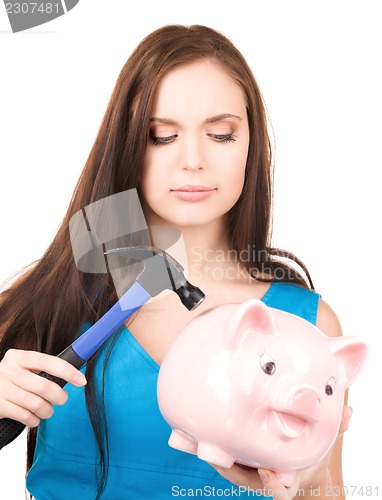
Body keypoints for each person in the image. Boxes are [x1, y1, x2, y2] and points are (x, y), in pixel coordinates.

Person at [0, 24, 351, 499]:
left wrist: (305, 485)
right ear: (127, 146)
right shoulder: (50, 299)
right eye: (162, 136)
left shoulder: (305, 327)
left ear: (252, 144)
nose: (192, 160)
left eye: (221, 135)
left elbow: (326, 492)